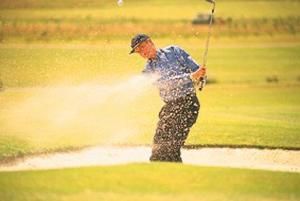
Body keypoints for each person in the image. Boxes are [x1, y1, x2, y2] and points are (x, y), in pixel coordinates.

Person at [130, 33, 206, 162]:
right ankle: (162, 171)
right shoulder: (148, 71)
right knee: (158, 144)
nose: (141, 53)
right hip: (171, 106)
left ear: (150, 42)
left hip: (188, 104)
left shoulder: (175, 51)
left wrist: (201, 78)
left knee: (171, 147)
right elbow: (167, 83)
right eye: (138, 51)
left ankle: (172, 172)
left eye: (142, 47)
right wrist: (191, 77)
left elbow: (197, 70)